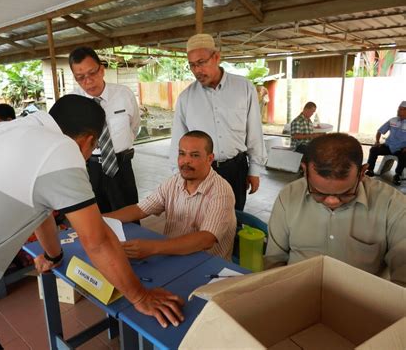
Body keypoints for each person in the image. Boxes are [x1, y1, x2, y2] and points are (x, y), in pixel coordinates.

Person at [0, 95, 183, 349]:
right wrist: (140, 296)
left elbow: (39, 209)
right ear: (89, 141)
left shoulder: (8, 129)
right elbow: (97, 240)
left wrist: (53, 255)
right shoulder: (61, 148)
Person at [265, 133, 406, 286]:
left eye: (345, 193)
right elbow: (274, 261)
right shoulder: (289, 196)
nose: (332, 201)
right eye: (319, 193)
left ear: (362, 172)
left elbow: (403, 278)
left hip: (363, 302)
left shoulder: (392, 205)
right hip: (295, 291)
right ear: (305, 170)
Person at [170, 33, 267, 211]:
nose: (197, 70)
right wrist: (179, 176)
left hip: (236, 169)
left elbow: (254, 131)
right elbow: (178, 140)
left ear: (216, 57)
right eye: (192, 65)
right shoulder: (186, 98)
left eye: (201, 63)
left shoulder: (244, 88)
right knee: (202, 218)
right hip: (201, 170)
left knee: (234, 217)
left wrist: (254, 170)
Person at [106, 130, 236, 261]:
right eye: (182, 154)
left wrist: (152, 248)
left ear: (210, 159)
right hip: (173, 254)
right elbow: (140, 209)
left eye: (195, 155)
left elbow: (206, 239)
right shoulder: (174, 182)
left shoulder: (221, 192)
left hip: (207, 263)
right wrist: (101, 220)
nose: (186, 161)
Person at [69, 46, 140, 213]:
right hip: (90, 169)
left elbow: (134, 126)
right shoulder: (72, 102)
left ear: (101, 69)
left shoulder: (124, 94)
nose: (88, 81)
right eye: (80, 77)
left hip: (122, 167)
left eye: (92, 73)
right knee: (97, 220)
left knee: (129, 216)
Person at [365, 100, 406, 186]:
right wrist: (377, 142)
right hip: (388, 146)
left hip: (401, 148)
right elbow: (380, 131)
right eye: (398, 109)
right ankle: (370, 170)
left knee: (404, 156)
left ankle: (397, 175)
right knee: (374, 149)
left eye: (402, 109)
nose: (398, 111)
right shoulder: (392, 120)